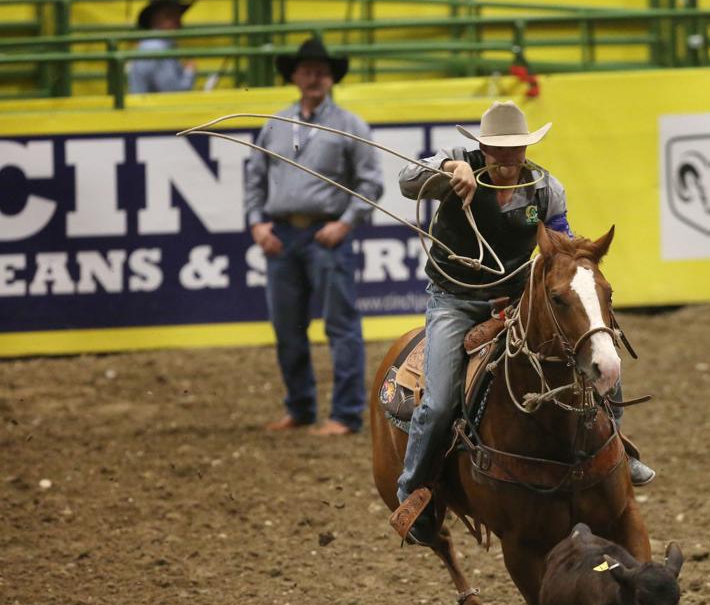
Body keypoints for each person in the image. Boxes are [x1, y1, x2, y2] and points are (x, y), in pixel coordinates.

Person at [394, 100, 654, 546]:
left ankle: (616, 446)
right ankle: (413, 490)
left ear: (526, 149)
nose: (506, 160)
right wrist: (448, 170)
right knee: (437, 403)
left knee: (596, 349)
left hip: (515, 295)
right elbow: (406, 180)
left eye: (515, 151)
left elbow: (559, 238)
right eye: (497, 150)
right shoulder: (459, 165)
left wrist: (573, 254)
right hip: (454, 300)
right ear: (483, 147)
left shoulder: (545, 187)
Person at [243, 37, 383, 436]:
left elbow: (370, 184)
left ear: (331, 77)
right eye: (306, 70)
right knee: (287, 329)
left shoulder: (350, 125)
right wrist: (257, 222)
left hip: (327, 235)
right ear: (294, 76)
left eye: (321, 70)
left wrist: (345, 222)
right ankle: (301, 408)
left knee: (341, 326)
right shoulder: (274, 124)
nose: (314, 77)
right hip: (282, 236)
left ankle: (345, 413)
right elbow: (255, 179)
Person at [127, 0, 197, 95]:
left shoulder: (153, 45)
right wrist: (189, 72)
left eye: (178, 16)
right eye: (171, 16)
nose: (179, 23)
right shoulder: (157, 48)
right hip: (152, 110)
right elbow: (173, 93)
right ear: (156, 18)